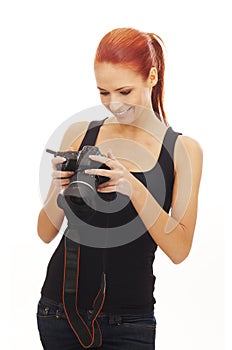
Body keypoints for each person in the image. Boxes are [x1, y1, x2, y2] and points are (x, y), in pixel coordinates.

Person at [36, 27, 203, 350]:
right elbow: (45, 232)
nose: (113, 103)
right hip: (59, 312)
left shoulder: (183, 150)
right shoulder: (80, 133)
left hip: (131, 321)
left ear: (151, 77)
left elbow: (180, 249)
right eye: (103, 92)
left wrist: (135, 189)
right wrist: (61, 189)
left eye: (125, 92)